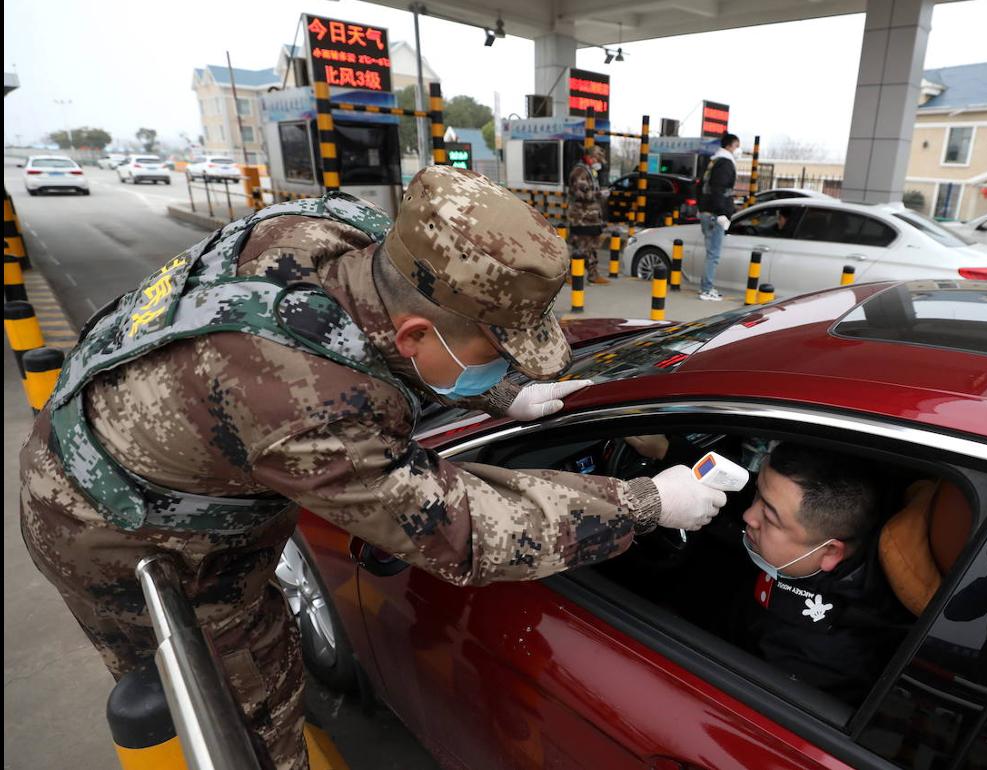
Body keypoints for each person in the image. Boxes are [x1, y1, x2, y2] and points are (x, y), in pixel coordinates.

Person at [19, 166, 727, 769]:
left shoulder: (345, 233)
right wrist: (646, 503)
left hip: (133, 424)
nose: (506, 365)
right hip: (118, 528)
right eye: (499, 354)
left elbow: (381, 334)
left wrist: (501, 391)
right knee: (239, 701)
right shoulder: (305, 404)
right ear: (417, 333)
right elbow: (460, 530)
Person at [734, 442, 911, 705]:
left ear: (830, 552)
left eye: (769, 518)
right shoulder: (832, 529)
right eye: (758, 493)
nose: (748, 515)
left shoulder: (818, 661)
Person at [697, 133, 741, 302]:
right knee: (714, 254)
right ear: (729, 145)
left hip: (707, 211)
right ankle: (706, 289)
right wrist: (722, 213)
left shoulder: (713, 161)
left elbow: (700, 186)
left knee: (710, 253)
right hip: (715, 214)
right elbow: (719, 189)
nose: (738, 149)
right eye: (736, 146)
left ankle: (706, 287)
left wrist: (701, 208)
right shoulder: (725, 163)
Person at [567, 144, 611, 285]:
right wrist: (600, 194)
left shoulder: (590, 171)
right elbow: (581, 194)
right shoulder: (579, 172)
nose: (598, 162)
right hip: (582, 217)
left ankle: (592, 274)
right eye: (597, 159)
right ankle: (571, 275)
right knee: (582, 247)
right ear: (590, 157)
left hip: (591, 217)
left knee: (590, 247)